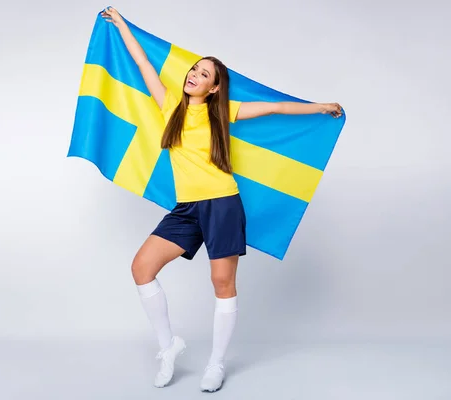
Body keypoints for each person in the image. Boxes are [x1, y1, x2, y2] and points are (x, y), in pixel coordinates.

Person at [100, 6, 343, 393]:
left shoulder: (221, 112)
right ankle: (168, 348)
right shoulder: (170, 107)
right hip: (187, 208)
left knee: (221, 282)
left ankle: (216, 364)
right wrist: (122, 25)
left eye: (204, 74)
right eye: (194, 70)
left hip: (222, 204)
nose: (194, 76)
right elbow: (143, 60)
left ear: (214, 88)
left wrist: (321, 106)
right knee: (142, 269)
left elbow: (276, 107)